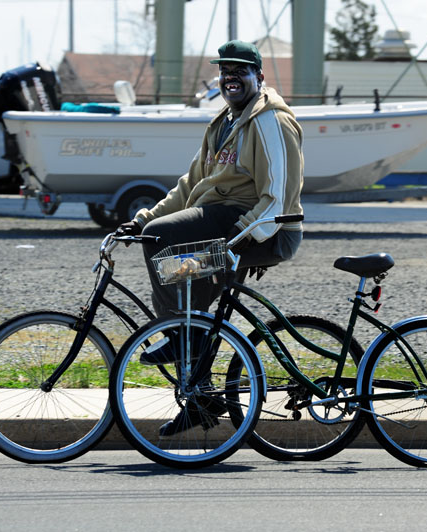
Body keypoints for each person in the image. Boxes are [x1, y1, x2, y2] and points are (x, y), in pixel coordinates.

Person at [116, 40, 304, 435]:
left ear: (260, 77)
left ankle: (180, 341)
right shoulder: (223, 122)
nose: (231, 77)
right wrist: (144, 217)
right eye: (225, 71)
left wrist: (249, 236)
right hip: (234, 228)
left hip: (258, 228)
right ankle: (201, 398)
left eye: (240, 71)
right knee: (181, 282)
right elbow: (191, 185)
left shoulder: (270, 120)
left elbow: (280, 192)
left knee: (160, 239)